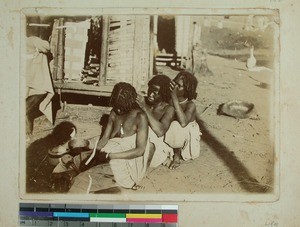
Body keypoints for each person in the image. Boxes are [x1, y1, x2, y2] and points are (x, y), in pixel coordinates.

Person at [93, 82, 149, 190]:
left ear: (130, 102)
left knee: (110, 167)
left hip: (129, 158)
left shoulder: (140, 116)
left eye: (122, 107)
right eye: (116, 106)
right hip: (111, 151)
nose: (118, 110)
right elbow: (105, 138)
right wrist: (96, 154)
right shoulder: (114, 112)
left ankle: (130, 183)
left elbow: (140, 150)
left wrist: (110, 156)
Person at [164, 71, 202, 169]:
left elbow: (183, 123)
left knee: (176, 125)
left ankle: (177, 155)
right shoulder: (169, 100)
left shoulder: (190, 105)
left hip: (186, 137)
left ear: (187, 90)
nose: (175, 87)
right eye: (174, 83)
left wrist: (174, 96)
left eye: (179, 86)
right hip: (173, 136)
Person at [136, 74, 175, 168]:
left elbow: (160, 131)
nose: (150, 94)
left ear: (163, 94)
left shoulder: (168, 109)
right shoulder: (142, 101)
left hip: (153, 151)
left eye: (155, 92)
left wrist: (144, 108)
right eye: (150, 90)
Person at [26, 33, 55, 136]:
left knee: (24, 110)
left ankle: (27, 135)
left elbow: (47, 46)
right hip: (29, 85)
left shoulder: (33, 40)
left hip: (39, 87)